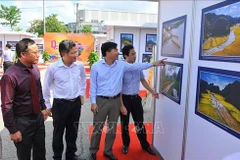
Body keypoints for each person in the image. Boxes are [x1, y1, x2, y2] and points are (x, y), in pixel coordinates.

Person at [89, 41, 166, 160]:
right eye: (115, 50)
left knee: (113, 128)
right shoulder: (96, 66)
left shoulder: (121, 65)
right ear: (107, 52)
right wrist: (93, 102)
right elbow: (93, 86)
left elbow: (138, 66)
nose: (117, 52)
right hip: (101, 101)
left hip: (115, 101)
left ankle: (108, 151)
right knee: (98, 127)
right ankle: (93, 152)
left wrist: (154, 64)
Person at [1, 38, 50, 160]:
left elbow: (38, 90)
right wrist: (13, 130)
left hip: (37, 119)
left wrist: (43, 108)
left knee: (40, 154)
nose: (38, 55)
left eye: (38, 52)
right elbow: (6, 105)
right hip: (21, 122)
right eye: (35, 52)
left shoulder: (35, 69)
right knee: (24, 156)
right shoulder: (10, 75)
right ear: (23, 54)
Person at [43, 40, 86, 160]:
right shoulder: (53, 68)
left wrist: (81, 94)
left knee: (73, 132)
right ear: (63, 54)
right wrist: (47, 105)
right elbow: (46, 88)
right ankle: (57, 156)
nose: (76, 54)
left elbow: (83, 79)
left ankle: (70, 155)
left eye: (76, 51)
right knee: (58, 133)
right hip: (60, 105)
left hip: (75, 104)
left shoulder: (79, 66)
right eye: (73, 52)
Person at [120, 45, 159, 155]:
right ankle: (126, 144)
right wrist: (121, 104)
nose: (135, 56)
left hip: (136, 99)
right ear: (125, 55)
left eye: (135, 53)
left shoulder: (138, 68)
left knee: (140, 123)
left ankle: (145, 145)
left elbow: (143, 81)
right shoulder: (122, 68)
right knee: (125, 124)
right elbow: (119, 87)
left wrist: (152, 91)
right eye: (132, 54)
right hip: (125, 99)